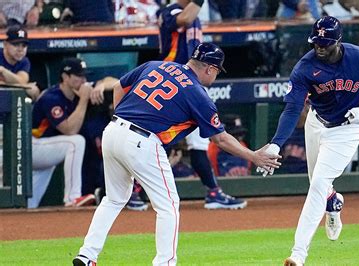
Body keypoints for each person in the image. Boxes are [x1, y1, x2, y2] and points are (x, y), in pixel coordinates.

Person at [72, 42, 281, 266]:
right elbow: (220, 138)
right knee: (168, 206)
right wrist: (253, 156)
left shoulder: (156, 65)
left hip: (113, 130)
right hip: (143, 140)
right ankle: (165, 263)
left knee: (113, 200)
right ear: (210, 68)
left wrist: (124, 117)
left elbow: (117, 88)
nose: (216, 76)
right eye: (217, 71)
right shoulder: (197, 93)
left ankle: (87, 255)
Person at [255, 16, 359, 266]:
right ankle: (333, 201)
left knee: (317, 184)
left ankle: (298, 254)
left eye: (325, 43)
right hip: (317, 123)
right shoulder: (304, 68)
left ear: (338, 41)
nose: (320, 47)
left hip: (348, 128)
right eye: (316, 42)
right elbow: (293, 109)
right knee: (318, 185)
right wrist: (276, 144)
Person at [159, 0, 248, 209]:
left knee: (199, 142)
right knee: (157, 137)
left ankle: (213, 192)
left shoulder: (196, 14)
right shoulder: (170, 10)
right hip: (172, 82)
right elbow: (185, 18)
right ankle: (133, 191)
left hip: (192, 83)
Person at [29, 58, 98, 208]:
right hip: (30, 148)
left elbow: (112, 81)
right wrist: (84, 100)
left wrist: (102, 85)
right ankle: (72, 197)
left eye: (84, 76)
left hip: (47, 149)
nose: (83, 80)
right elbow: (69, 130)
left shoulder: (77, 91)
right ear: (65, 77)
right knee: (76, 141)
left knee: (28, 205)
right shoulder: (51, 97)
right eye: (78, 76)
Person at [0, 25, 39, 101]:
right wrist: (23, 87)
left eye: (24, 46)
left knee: (34, 90)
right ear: (5, 44)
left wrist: (3, 71)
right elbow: (22, 84)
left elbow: (22, 80)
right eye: (16, 45)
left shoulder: (24, 61)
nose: (20, 49)